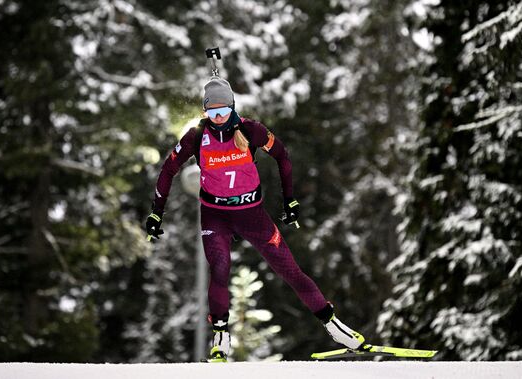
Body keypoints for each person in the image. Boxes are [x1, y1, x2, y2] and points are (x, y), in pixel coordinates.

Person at [145, 76, 365, 361]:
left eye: (224, 110)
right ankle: (221, 337)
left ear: (233, 107)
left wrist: (290, 200)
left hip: (252, 215)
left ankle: (335, 327)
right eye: (212, 112)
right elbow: (167, 170)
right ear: (204, 112)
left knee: (289, 269)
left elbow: (283, 156)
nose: (219, 117)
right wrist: (155, 213)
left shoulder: (250, 130)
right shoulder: (197, 136)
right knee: (220, 268)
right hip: (216, 215)